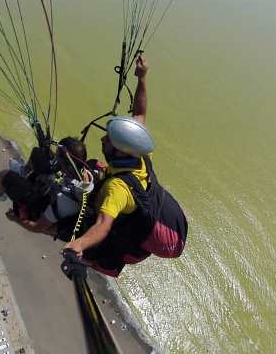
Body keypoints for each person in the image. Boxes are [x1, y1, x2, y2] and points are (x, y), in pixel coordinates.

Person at [64, 55, 188, 277]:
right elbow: (139, 114)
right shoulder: (140, 152)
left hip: (151, 230)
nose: (102, 140)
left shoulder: (118, 190)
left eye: (108, 139)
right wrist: (142, 78)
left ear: (120, 149)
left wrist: (79, 245)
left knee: (67, 221)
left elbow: (103, 224)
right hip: (158, 209)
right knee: (95, 169)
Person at [0, 137, 100, 237]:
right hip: (52, 186)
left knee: (4, 175)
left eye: (57, 154)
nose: (55, 155)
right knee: (39, 152)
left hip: (39, 205)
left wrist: (16, 219)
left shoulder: (64, 201)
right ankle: (23, 171)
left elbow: (39, 227)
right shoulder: (84, 173)